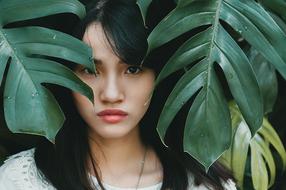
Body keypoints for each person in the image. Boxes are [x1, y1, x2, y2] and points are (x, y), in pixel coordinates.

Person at [0, 0, 237, 189]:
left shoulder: (205, 185)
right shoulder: (20, 182)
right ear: (66, 75)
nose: (111, 94)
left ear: (159, 75)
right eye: (91, 70)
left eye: (133, 69)